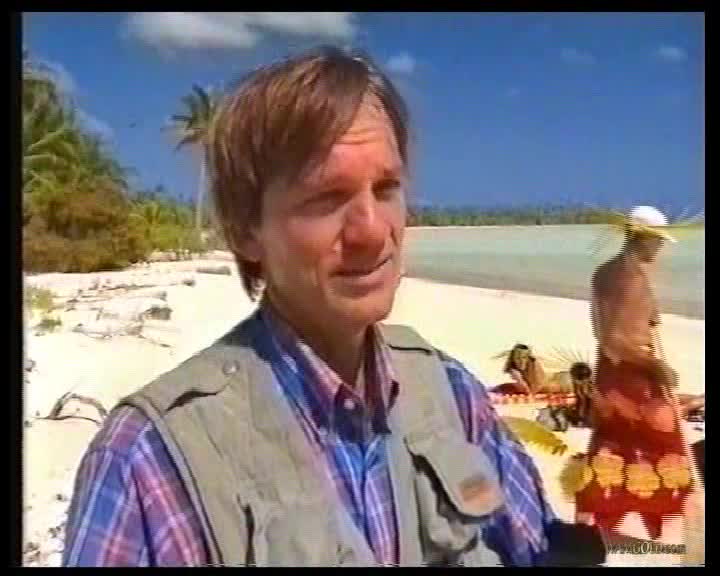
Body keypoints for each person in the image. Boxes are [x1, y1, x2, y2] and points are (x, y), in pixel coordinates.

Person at [62, 47, 564, 567]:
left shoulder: (450, 394)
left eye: (386, 189)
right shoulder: (153, 464)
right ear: (245, 231)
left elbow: (538, 549)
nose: (372, 231)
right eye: (326, 197)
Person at [576, 206, 693, 542]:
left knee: (612, 447)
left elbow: (604, 333)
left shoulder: (604, 272)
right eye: (658, 241)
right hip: (634, 377)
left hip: (609, 375)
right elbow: (616, 339)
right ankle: (666, 531)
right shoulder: (634, 279)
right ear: (642, 238)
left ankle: (597, 521)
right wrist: (658, 367)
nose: (660, 247)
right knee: (664, 449)